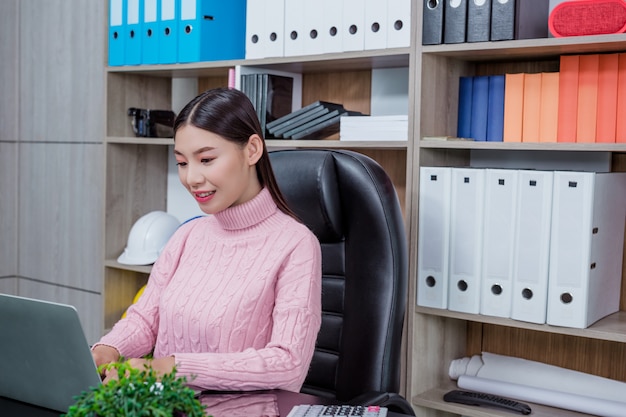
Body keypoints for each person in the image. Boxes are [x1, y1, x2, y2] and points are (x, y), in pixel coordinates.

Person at [92, 87, 322, 393]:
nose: (192, 178)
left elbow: (288, 362)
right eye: (183, 163)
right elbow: (146, 319)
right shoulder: (187, 235)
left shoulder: (296, 245)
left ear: (252, 150)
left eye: (206, 159)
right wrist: (109, 349)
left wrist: (170, 368)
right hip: (166, 409)